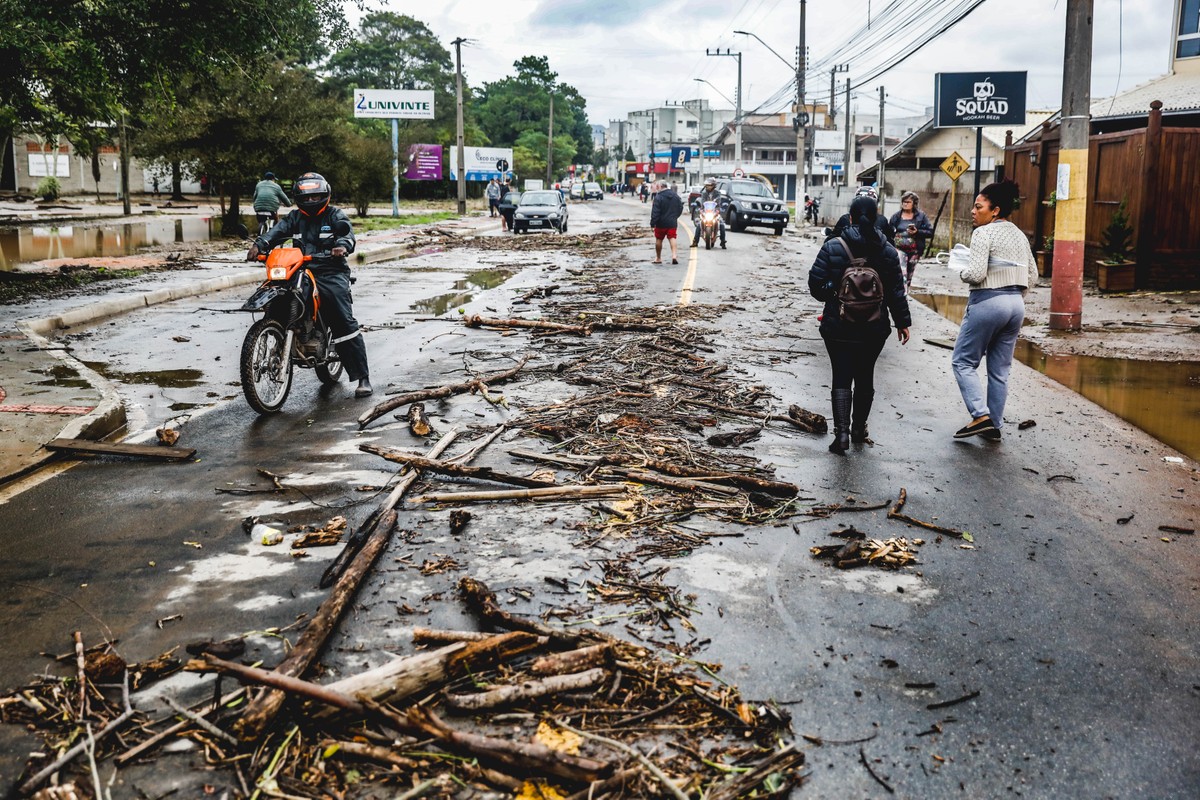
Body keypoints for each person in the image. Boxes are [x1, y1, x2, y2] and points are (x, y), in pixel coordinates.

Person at [246, 172, 372, 398]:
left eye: (316, 197)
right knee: (274, 295)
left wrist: (342, 245)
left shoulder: (335, 215)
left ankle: (362, 377)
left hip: (329, 270)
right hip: (297, 270)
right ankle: (279, 333)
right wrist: (260, 244)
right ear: (297, 197)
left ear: (325, 195)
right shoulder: (294, 218)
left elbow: (347, 233)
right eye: (307, 197)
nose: (312, 201)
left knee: (342, 317)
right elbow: (276, 232)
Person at [808, 195, 911, 454]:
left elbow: (815, 286)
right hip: (874, 329)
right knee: (865, 376)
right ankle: (858, 429)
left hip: (838, 325)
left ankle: (841, 435)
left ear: (850, 217)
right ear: (877, 218)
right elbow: (896, 291)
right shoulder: (887, 249)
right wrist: (902, 322)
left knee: (841, 376)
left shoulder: (834, 246)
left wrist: (834, 290)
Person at [950, 180, 1039, 442]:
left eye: (979, 207)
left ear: (995, 210)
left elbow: (976, 273)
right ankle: (994, 426)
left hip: (988, 302)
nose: (973, 212)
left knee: (963, 361)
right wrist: (1015, 295)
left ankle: (980, 415)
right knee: (999, 370)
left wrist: (962, 271)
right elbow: (1033, 275)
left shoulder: (983, 233)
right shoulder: (1019, 234)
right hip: (1015, 305)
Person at [889, 192, 934, 287]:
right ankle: (902, 294)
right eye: (903, 202)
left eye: (908, 202)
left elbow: (930, 232)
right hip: (899, 249)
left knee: (909, 274)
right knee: (902, 272)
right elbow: (889, 232)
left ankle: (906, 293)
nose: (905, 204)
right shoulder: (896, 216)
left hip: (915, 250)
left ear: (914, 203)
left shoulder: (921, 216)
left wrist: (917, 232)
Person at [650, 181, 683, 265]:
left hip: (661, 223)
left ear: (661, 186)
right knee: (672, 237)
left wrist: (653, 223)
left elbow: (655, 212)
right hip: (672, 222)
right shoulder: (675, 195)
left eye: (657, 186)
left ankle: (658, 258)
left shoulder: (658, 197)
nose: (656, 187)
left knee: (659, 239)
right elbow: (680, 207)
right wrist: (675, 216)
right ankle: (674, 256)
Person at [689, 177, 726, 249]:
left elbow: (718, 203)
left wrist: (718, 210)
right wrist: (701, 210)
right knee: (699, 224)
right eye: (707, 185)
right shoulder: (704, 193)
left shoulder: (717, 193)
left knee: (721, 224)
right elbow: (702, 203)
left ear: (714, 185)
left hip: (715, 211)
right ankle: (695, 241)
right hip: (706, 212)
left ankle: (723, 242)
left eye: (709, 185)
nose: (708, 187)